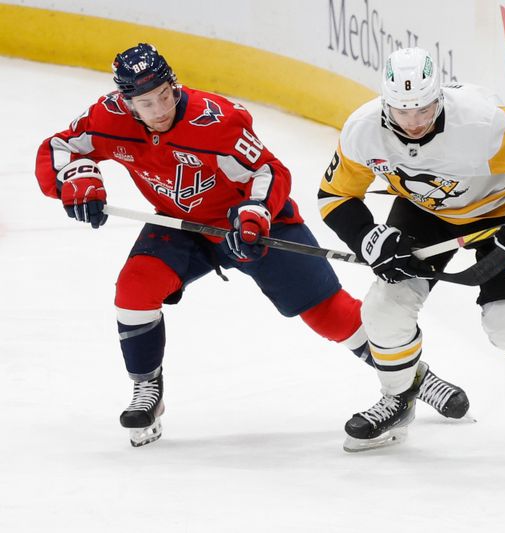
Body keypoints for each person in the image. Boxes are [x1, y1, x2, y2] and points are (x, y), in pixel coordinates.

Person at [34, 43, 469, 448]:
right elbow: (60, 148)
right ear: (127, 102)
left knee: (329, 314)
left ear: (173, 84)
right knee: (133, 289)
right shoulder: (107, 118)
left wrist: (254, 214)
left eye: (165, 95)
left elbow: (269, 171)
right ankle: (147, 387)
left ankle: (415, 377)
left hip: (251, 225)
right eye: (145, 103)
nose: (160, 109)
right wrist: (78, 181)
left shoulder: (216, 120)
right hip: (182, 226)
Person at [318, 47, 505, 451]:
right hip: (424, 213)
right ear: (385, 102)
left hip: (497, 213)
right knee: (383, 308)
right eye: (402, 111)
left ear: (440, 98)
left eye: (424, 110)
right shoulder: (363, 130)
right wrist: (369, 237)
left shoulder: (481, 120)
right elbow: (334, 196)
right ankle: (399, 396)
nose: (414, 122)